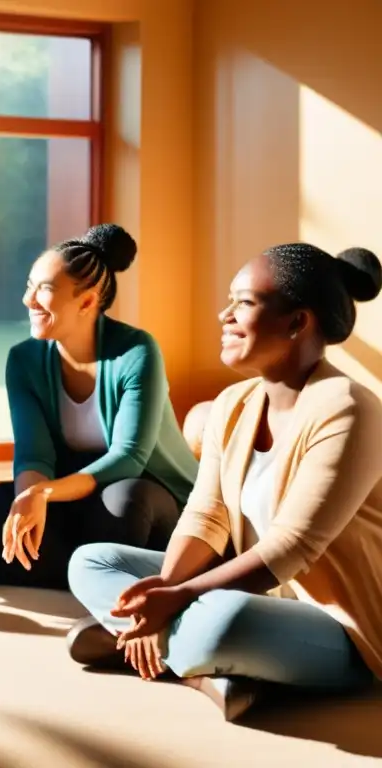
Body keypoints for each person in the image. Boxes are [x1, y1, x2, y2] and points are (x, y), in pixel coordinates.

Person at [66, 243, 382, 721]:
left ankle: (175, 653)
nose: (224, 314)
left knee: (222, 622)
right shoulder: (234, 403)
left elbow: (293, 547)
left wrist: (178, 599)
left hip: (341, 623)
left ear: (297, 322)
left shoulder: (349, 408)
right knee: (92, 560)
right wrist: (167, 588)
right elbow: (206, 514)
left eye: (244, 303)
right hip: (257, 593)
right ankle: (203, 665)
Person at [0, 224, 199, 589]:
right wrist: (30, 499)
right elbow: (34, 455)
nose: (28, 300)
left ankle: (45, 568)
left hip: (151, 497)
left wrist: (43, 494)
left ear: (87, 301)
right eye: (29, 286)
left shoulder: (136, 351)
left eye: (43, 290)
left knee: (126, 500)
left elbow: (129, 458)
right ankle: (82, 571)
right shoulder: (24, 360)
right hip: (76, 498)